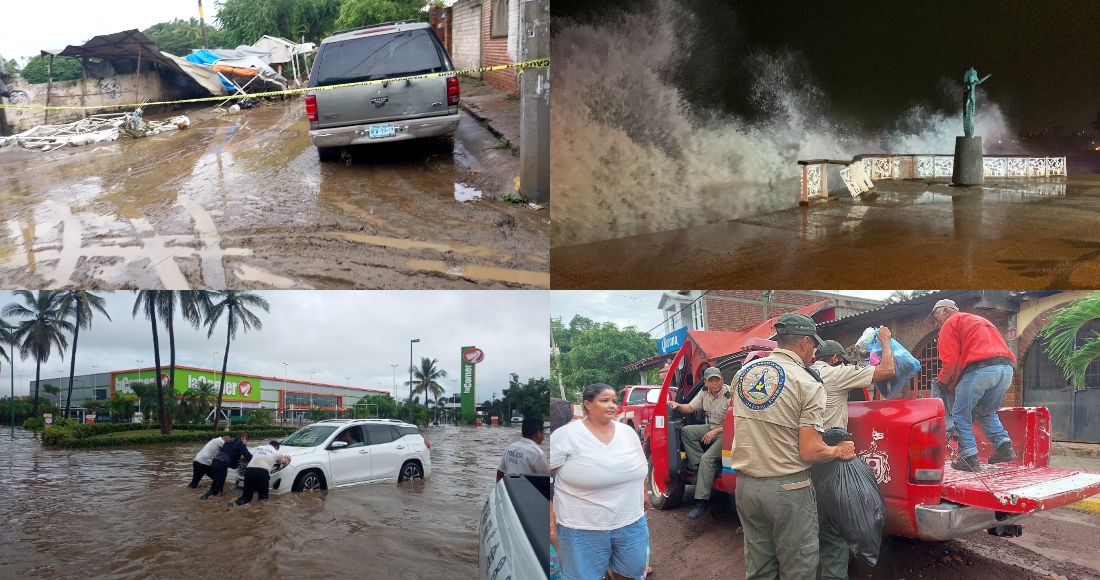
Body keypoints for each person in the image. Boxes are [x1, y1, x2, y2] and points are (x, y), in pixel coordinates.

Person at [729, 313, 856, 580]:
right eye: (813, 347)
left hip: (746, 488)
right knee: (798, 567)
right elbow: (810, 451)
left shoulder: (742, 375)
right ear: (805, 343)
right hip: (788, 490)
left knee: (760, 567)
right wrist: (837, 451)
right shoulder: (807, 382)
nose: (813, 353)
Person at [810, 336, 894, 580]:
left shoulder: (801, 374)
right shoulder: (837, 373)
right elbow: (887, 370)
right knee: (833, 529)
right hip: (829, 458)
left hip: (802, 456)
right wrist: (885, 341)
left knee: (810, 525)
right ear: (835, 359)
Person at [549, 384, 649, 580]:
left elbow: (642, 464)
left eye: (614, 401)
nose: (612, 405)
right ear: (587, 404)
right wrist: (549, 508)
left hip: (631, 522)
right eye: (604, 401)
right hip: (582, 528)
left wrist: (644, 492)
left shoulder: (627, 433)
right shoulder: (565, 436)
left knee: (630, 573)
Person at [932, 299, 1017, 472]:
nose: (936, 323)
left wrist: (942, 383)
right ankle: (1004, 446)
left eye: (936, 317)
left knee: (960, 414)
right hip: (1006, 370)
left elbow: (950, 362)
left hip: (980, 369)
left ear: (947, 311)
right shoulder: (978, 320)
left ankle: (969, 458)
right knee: (985, 410)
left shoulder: (950, 323)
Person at [666, 366, 730, 519]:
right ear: (706, 383)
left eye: (717, 380)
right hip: (712, 427)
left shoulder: (730, 393)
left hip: (728, 433)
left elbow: (738, 420)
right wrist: (677, 405)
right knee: (686, 431)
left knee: (707, 459)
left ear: (722, 380)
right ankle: (700, 468)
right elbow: (689, 408)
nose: (715, 383)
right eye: (711, 380)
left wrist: (715, 431)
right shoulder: (704, 392)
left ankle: (702, 502)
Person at [234, 440, 291, 506]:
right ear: (276, 447)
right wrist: (286, 458)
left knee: (246, 498)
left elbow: (245, 456)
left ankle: (233, 505)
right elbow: (285, 462)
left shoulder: (259, 448)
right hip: (262, 473)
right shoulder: (276, 452)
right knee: (263, 499)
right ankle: (261, 512)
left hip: (249, 471)